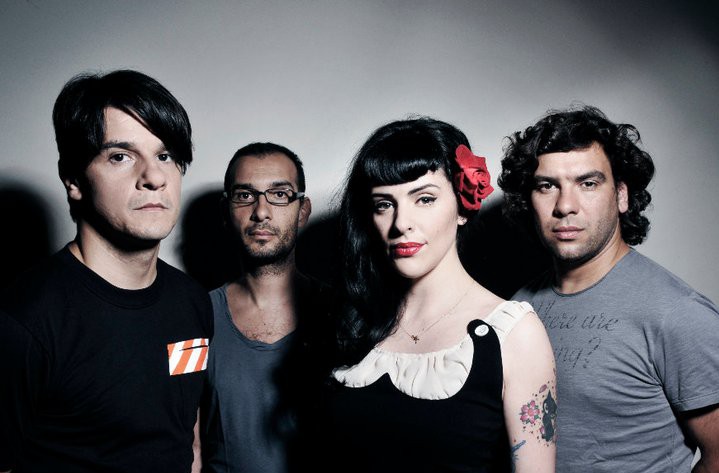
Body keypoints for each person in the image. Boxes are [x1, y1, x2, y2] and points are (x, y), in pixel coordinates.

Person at [0, 70, 213, 473]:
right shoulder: (23, 322)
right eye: (120, 156)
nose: (154, 177)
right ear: (74, 180)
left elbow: (188, 438)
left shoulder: (192, 302)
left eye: (165, 155)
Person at [322, 117, 557, 473]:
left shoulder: (513, 332)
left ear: (463, 206)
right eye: (384, 204)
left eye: (425, 199)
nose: (401, 223)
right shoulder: (353, 321)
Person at [498, 105, 719, 473]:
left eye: (588, 183)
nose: (565, 206)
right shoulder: (517, 307)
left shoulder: (677, 313)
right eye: (547, 186)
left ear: (621, 195)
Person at [201, 143, 331, 473]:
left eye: (280, 194)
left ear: (303, 211)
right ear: (226, 211)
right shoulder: (194, 316)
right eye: (245, 195)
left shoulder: (342, 314)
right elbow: (189, 442)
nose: (261, 211)